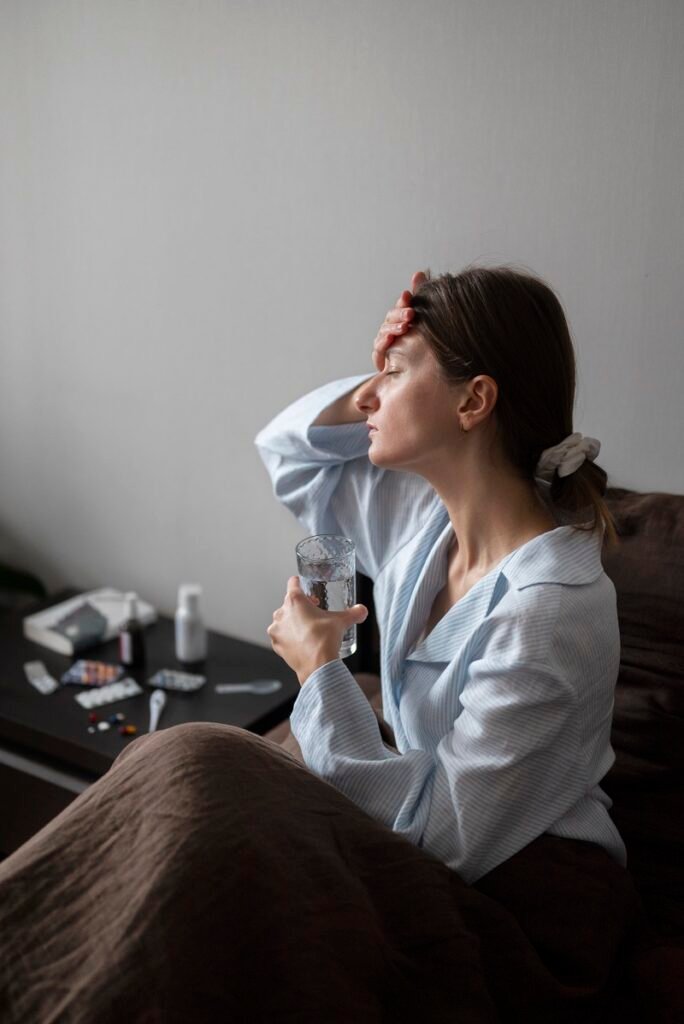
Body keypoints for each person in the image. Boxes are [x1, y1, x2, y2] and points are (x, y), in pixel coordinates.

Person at [255, 264, 627, 884]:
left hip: (529, 897)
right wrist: (383, 370)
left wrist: (319, 672)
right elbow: (287, 455)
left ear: (474, 400)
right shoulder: (422, 527)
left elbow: (442, 836)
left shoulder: (550, 613)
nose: (371, 395)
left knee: (202, 776)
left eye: (393, 376)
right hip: (430, 852)